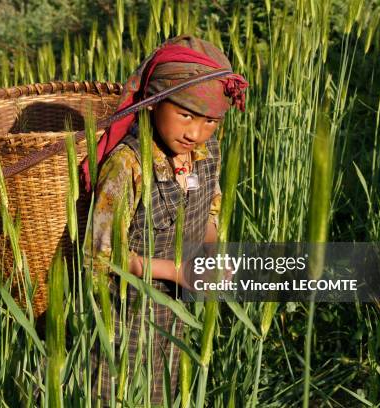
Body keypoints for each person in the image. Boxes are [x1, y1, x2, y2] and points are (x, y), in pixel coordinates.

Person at [80, 34, 248, 407]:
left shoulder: (206, 152)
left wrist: (213, 250)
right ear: (154, 103)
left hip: (175, 319)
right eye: (185, 115)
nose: (195, 132)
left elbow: (210, 210)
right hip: (123, 326)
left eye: (210, 121)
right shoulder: (128, 165)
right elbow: (98, 257)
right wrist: (177, 271)